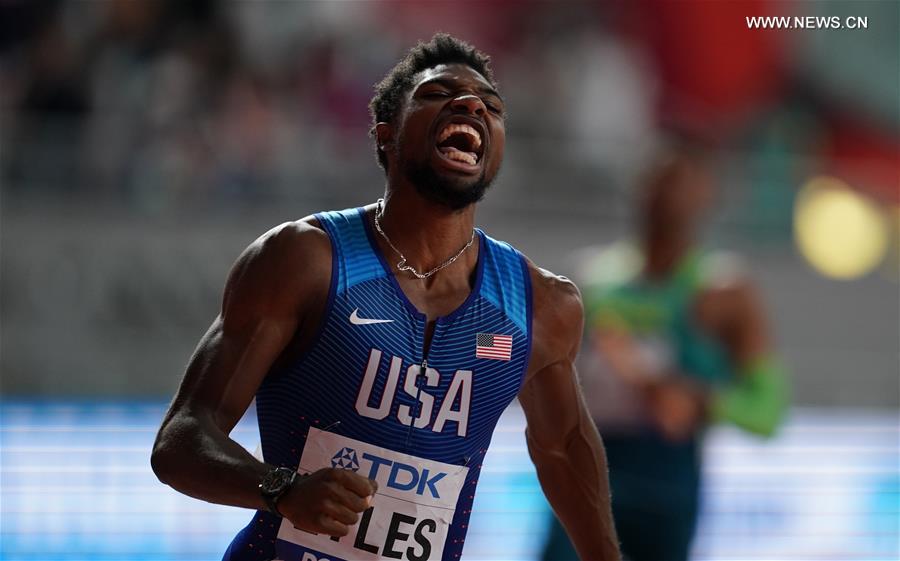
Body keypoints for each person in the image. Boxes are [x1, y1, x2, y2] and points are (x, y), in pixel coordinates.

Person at [151, 34, 620, 561]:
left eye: (490, 106)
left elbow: (562, 449)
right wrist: (284, 490)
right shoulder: (305, 260)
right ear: (385, 136)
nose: (470, 106)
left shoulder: (540, 305)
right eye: (438, 93)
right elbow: (182, 441)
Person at [541, 141, 789, 561]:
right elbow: (528, 359)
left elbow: (768, 411)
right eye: (659, 181)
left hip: (668, 474)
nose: (669, 196)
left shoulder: (722, 292)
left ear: (708, 196)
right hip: (589, 462)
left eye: (684, 184)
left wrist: (697, 401)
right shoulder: (591, 280)